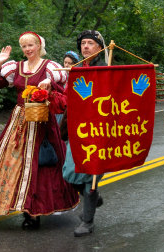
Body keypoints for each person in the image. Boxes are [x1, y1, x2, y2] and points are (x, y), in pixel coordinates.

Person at [0, 31, 80, 229]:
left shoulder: (50, 67)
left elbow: (64, 91)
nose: (28, 49)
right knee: (15, 165)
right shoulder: (16, 67)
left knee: (41, 165)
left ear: (39, 46)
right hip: (19, 121)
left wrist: (51, 84)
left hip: (42, 122)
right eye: (24, 46)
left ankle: (35, 211)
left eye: (31, 45)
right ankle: (23, 208)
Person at [60, 30, 107, 237]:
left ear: (99, 47)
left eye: (90, 43)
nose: (86, 46)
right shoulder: (77, 68)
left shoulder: (105, 68)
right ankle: (94, 200)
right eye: (83, 43)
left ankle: (88, 222)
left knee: (90, 177)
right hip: (77, 129)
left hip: (97, 130)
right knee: (70, 173)